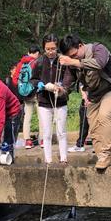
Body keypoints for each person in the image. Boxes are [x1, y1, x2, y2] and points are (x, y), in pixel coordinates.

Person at [59, 34, 111, 172]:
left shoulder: (98, 49)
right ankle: (102, 156)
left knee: (104, 117)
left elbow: (99, 64)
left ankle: (106, 154)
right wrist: (60, 90)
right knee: (93, 124)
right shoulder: (73, 63)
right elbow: (68, 83)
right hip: (94, 94)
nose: (74, 58)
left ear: (81, 45)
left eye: (75, 54)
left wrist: (74, 62)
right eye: (71, 57)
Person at [31, 34, 68, 165]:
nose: (51, 51)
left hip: (61, 101)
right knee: (46, 133)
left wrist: (62, 87)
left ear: (57, 47)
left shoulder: (63, 61)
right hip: (44, 102)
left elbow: (69, 79)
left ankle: (63, 157)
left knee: (61, 131)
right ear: (44, 48)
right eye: (48, 49)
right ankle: (48, 159)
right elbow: (33, 80)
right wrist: (40, 85)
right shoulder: (39, 62)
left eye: (53, 48)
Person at [12, 45, 41, 149]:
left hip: (26, 95)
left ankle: (27, 141)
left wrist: (22, 88)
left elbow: (15, 79)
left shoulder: (21, 63)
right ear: (37, 53)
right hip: (37, 93)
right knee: (41, 117)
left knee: (27, 117)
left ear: (28, 52)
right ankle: (42, 140)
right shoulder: (38, 62)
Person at [68, 85, 89, 152]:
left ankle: (100, 146)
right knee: (83, 120)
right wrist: (84, 95)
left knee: (98, 121)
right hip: (87, 96)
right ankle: (80, 145)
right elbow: (81, 83)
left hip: (98, 95)